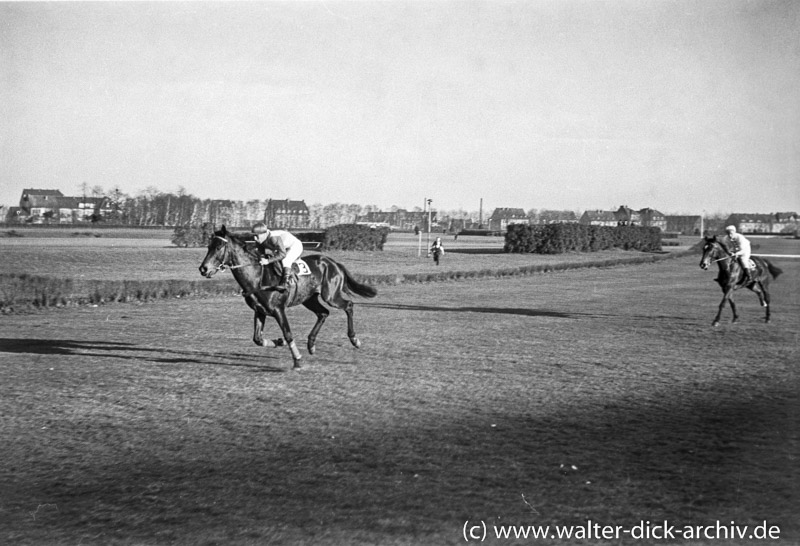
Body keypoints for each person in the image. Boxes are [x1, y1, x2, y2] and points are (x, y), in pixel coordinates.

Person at [251, 222, 304, 291]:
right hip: (283, 247)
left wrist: (267, 261)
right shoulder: (260, 239)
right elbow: (261, 253)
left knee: (286, 260)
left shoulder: (274, 238)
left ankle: (285, 283)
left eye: (257, 236)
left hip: (295, 246)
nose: (255, 238)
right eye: (254, 236)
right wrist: (262, 258)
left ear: (264, 234)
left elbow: (282, 254)